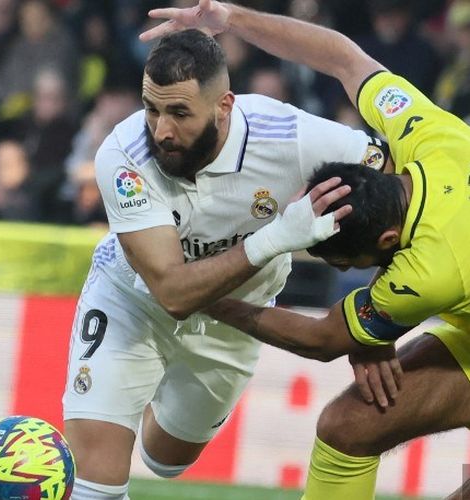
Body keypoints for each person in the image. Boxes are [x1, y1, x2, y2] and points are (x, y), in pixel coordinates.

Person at [140, 1, 470, 498]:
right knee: (349, 428)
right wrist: (232, 20)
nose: (346, 270)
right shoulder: (429, 134)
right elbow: (343, 57)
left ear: (385, 243)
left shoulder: (429, 271)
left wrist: (195, 291)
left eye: (347, 264)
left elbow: (321, 339)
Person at [63, 27, 393, 500]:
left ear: (225, 106)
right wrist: (277, 236)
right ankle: (114, 390)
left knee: (167, 459)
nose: (161, 130)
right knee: (95, 483)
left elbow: (397, 188)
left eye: (179, 112)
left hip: (239, 316)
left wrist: (379, 323)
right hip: (134, 301)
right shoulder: (123, 155)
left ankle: (136, 392)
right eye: (151, 108)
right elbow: (173, 294)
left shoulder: (290, 134)